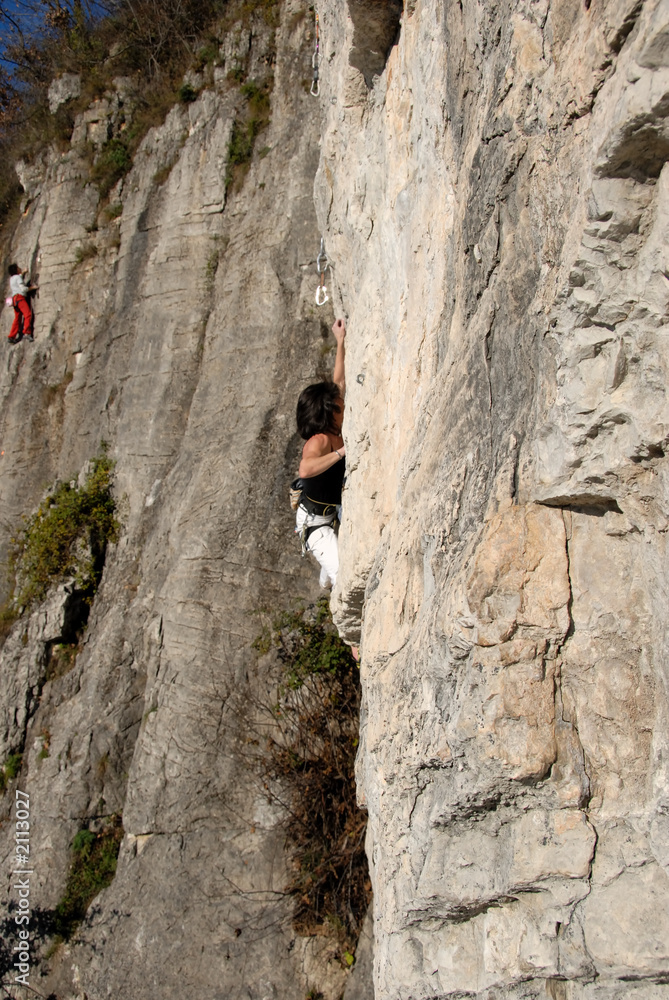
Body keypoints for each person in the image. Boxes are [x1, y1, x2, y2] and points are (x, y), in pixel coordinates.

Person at [295, 318, 347, 590]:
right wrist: (341, 453)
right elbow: (305, 470)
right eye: (339, 405)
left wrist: (340, 340)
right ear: (328, 414)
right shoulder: (321, 439)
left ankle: (325, 574)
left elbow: (338, 380)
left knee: (332, 559)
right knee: (342, 577)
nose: (343, 402)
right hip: (315, 524)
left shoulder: (334, 420)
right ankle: (328, 578)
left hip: (332, 512)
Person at [7, 264, 36, 344]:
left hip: (14, 300)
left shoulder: (12, 279)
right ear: (16, 270)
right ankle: (27, 332)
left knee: (17, 318)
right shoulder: (18, 277)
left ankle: (11, 336)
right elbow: (23, 289)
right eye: (18, 268)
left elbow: (17, 278)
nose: (20, 268)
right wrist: (32, 288)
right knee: (28, 314)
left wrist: (23, 273)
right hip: (20, 298)